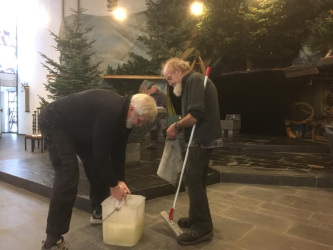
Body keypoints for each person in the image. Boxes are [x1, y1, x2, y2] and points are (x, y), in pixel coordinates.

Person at [39, 89, 157, 250]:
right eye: (140, 120)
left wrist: (120, 180)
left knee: (97, 168)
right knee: (68, 175)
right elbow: (101, 154)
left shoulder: (127, 117)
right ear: (132, 110)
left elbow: (118, 150)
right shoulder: (111, 111)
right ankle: (53, 239)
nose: (140, 125)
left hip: (79, 129)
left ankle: (98, 211)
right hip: (55, 122)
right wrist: (114, 187)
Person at [163, 58, 222, 246]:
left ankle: (203, 227)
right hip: (200, 138)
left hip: (201, 138)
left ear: (179, 70)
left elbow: (196, 114)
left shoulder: (195, 80)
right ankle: (196, 218)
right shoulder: (191, 82)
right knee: (196, 181)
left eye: (169, 77)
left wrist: (177, 126)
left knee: (192, 180)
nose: (169, 82)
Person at [145, 82, 168, 149]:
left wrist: (157, 107)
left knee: (164, 125)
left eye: (150, 89)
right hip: (154, 115)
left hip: (162, 115)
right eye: (149, 89)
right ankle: (153, 143)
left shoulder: (162, 95)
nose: (149, 90)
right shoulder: (150, 96)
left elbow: (164, 105)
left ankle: (168, 143)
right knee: (152, 126)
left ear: (154, 87)